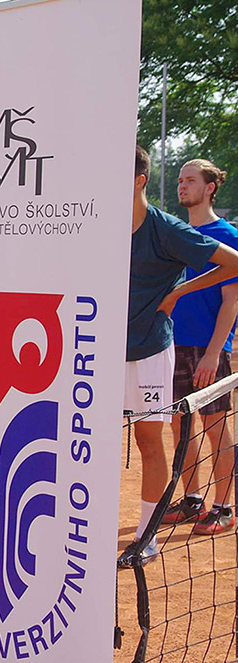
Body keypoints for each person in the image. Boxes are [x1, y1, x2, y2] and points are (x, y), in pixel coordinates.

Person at [120, 146, 238, 568]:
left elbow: (232, 267)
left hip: (156, 352)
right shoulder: (99, 225)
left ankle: (149, 536)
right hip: (103, 352)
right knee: (96, 440)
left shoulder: (168, 229)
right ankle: (188, 500)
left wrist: (177, 292)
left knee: (155, 439)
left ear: (139, 180)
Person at [162, 158, 237, 535]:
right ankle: (193, 500)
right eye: (180, 180)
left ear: (210, 188)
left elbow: (232, 300)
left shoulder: (227, 235)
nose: (182, 185)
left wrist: (213, 352)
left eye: (190, 180)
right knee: (180, 425)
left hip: (208, 349)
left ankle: (224, 507)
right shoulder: (177, 235)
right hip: (172, 344)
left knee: (215, 425)